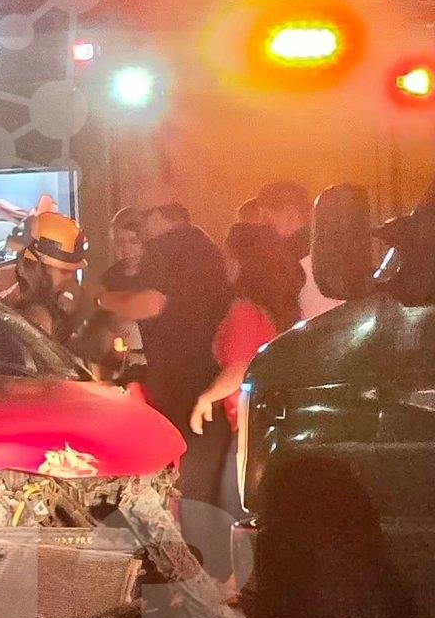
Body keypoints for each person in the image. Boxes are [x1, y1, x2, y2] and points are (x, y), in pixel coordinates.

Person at [97, 200, 232, 568]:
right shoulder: (201, 253)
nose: (131, 247)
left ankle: (191, 565)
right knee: (194, 477)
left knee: (180, 476)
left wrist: (92, 301)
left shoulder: (176, 253)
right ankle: (203, 565)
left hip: (179, 383)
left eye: (138, 236)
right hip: (187, 379)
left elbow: (152, 306)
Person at [189, 223, 303, 547]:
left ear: (242, 260)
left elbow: (240, 367)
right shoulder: (284, 308)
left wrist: (206, 398)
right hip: (276, 423)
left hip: (247, 426)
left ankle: (238, 587)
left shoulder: (244, 309)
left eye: (228, 255)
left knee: (236, 511)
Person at [0, 208, 88, 338]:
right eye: (64, 271)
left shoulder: (42, 293)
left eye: (74, 272)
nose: (71, 280)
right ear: (35, 264)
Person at [253, 179, 340, 321]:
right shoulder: (333, 251)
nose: (262, 226)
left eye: (267, 218)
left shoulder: (288, 261)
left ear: (290, 214)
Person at [99, 207, 147, 383]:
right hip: (122, 366)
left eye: (133, 241)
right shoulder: (109, 279)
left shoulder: (157, 276)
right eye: (120, 242)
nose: (127, 249)